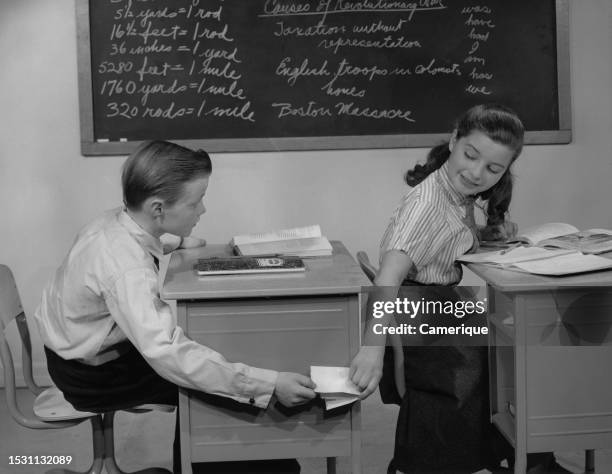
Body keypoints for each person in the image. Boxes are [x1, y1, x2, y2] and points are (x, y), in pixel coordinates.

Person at [35, 140, 316, 473]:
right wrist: (269, 384)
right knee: (213, 388)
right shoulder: (126, 269)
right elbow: (167, 352)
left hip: (73, 354)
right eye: (196, 202)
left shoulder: (113, 222)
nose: (203, 211)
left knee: (213, 361)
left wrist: (179, 240)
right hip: (92, 376)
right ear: (158, 209)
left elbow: (139, 243)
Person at [349, 104, 570, 473]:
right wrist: (370, 351)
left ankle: (527, 455)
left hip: (435, 304)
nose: (476, 173)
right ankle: (524, 459)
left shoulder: (451, 190)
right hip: (419, 314)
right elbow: (388, 280)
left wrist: (485, 234)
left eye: (493, 169)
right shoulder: (427, 206)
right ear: (454, 140)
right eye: (470, 156)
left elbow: (441, 242)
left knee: (516, 340)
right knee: (507, 353)